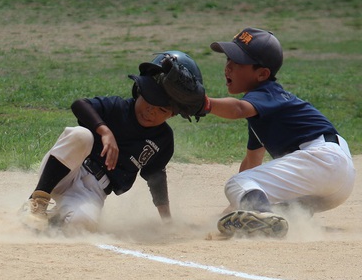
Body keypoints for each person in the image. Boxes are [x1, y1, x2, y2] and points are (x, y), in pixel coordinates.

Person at [20, 51, 204, 236]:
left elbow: (155, 176)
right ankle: (38, 201)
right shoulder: (118, 107)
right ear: (139, 91)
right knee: (81, 135)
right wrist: (104, 130)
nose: (151, 111)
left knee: (83, 225)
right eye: (148, 100)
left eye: (162, 109)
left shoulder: (163, 139)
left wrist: (167, 221)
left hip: (93, 191)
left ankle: (55, 217)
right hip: (67, 169)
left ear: (172, 114)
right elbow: (79, 105)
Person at [200, 27, 355, 238]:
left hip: (323, 161)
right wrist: (234, 205)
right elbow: (252, 161)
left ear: (262, 74)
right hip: (336, 183)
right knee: (257, 193)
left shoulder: (268, 93)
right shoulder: (263, 109)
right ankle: (282, 219)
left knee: (235, 184)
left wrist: (204, 104)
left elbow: (237, 109)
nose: (228, 68)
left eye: (237, 63)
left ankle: (263, 217)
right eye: (228, 60)